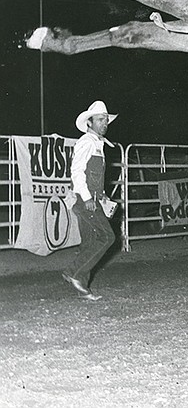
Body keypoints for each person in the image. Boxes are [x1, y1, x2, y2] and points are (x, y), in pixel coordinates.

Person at [62, 100, 117, 301]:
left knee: (90, 243)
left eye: (106, 120)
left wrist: (101, 196)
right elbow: (76, 172)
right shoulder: (86, 142)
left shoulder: (97, 144)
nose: (105, 123)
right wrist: (87, 198)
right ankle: (73, 272)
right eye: (101, 120)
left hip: (90, 199)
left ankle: (82, 287)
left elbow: (91, 175)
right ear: (90, 122)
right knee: (107, 237)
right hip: (85, 200)